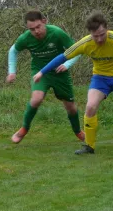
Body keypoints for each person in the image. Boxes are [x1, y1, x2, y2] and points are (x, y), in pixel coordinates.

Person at [33, 11, 113, 154]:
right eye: (95, 36)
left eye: (102, 34)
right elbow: (63, 56)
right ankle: (89, 146)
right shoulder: (85, 43)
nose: (98, 39)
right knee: (90, 106)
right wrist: (42, 72)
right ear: (90, 33)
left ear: (107, 28)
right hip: (101, 78)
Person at [7, 10, 84, 144]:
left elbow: (77, 50)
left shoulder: (57, 33)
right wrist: (12, 71)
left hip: (60, 73)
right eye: (32, 29)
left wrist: (67, 64)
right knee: (36, 99)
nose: (36, 31)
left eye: (38, 27)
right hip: (39, 72)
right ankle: (24, 129)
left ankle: (78, 131)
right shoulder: (25, 38)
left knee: (70, 107)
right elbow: (13, 51)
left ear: (44, 21)